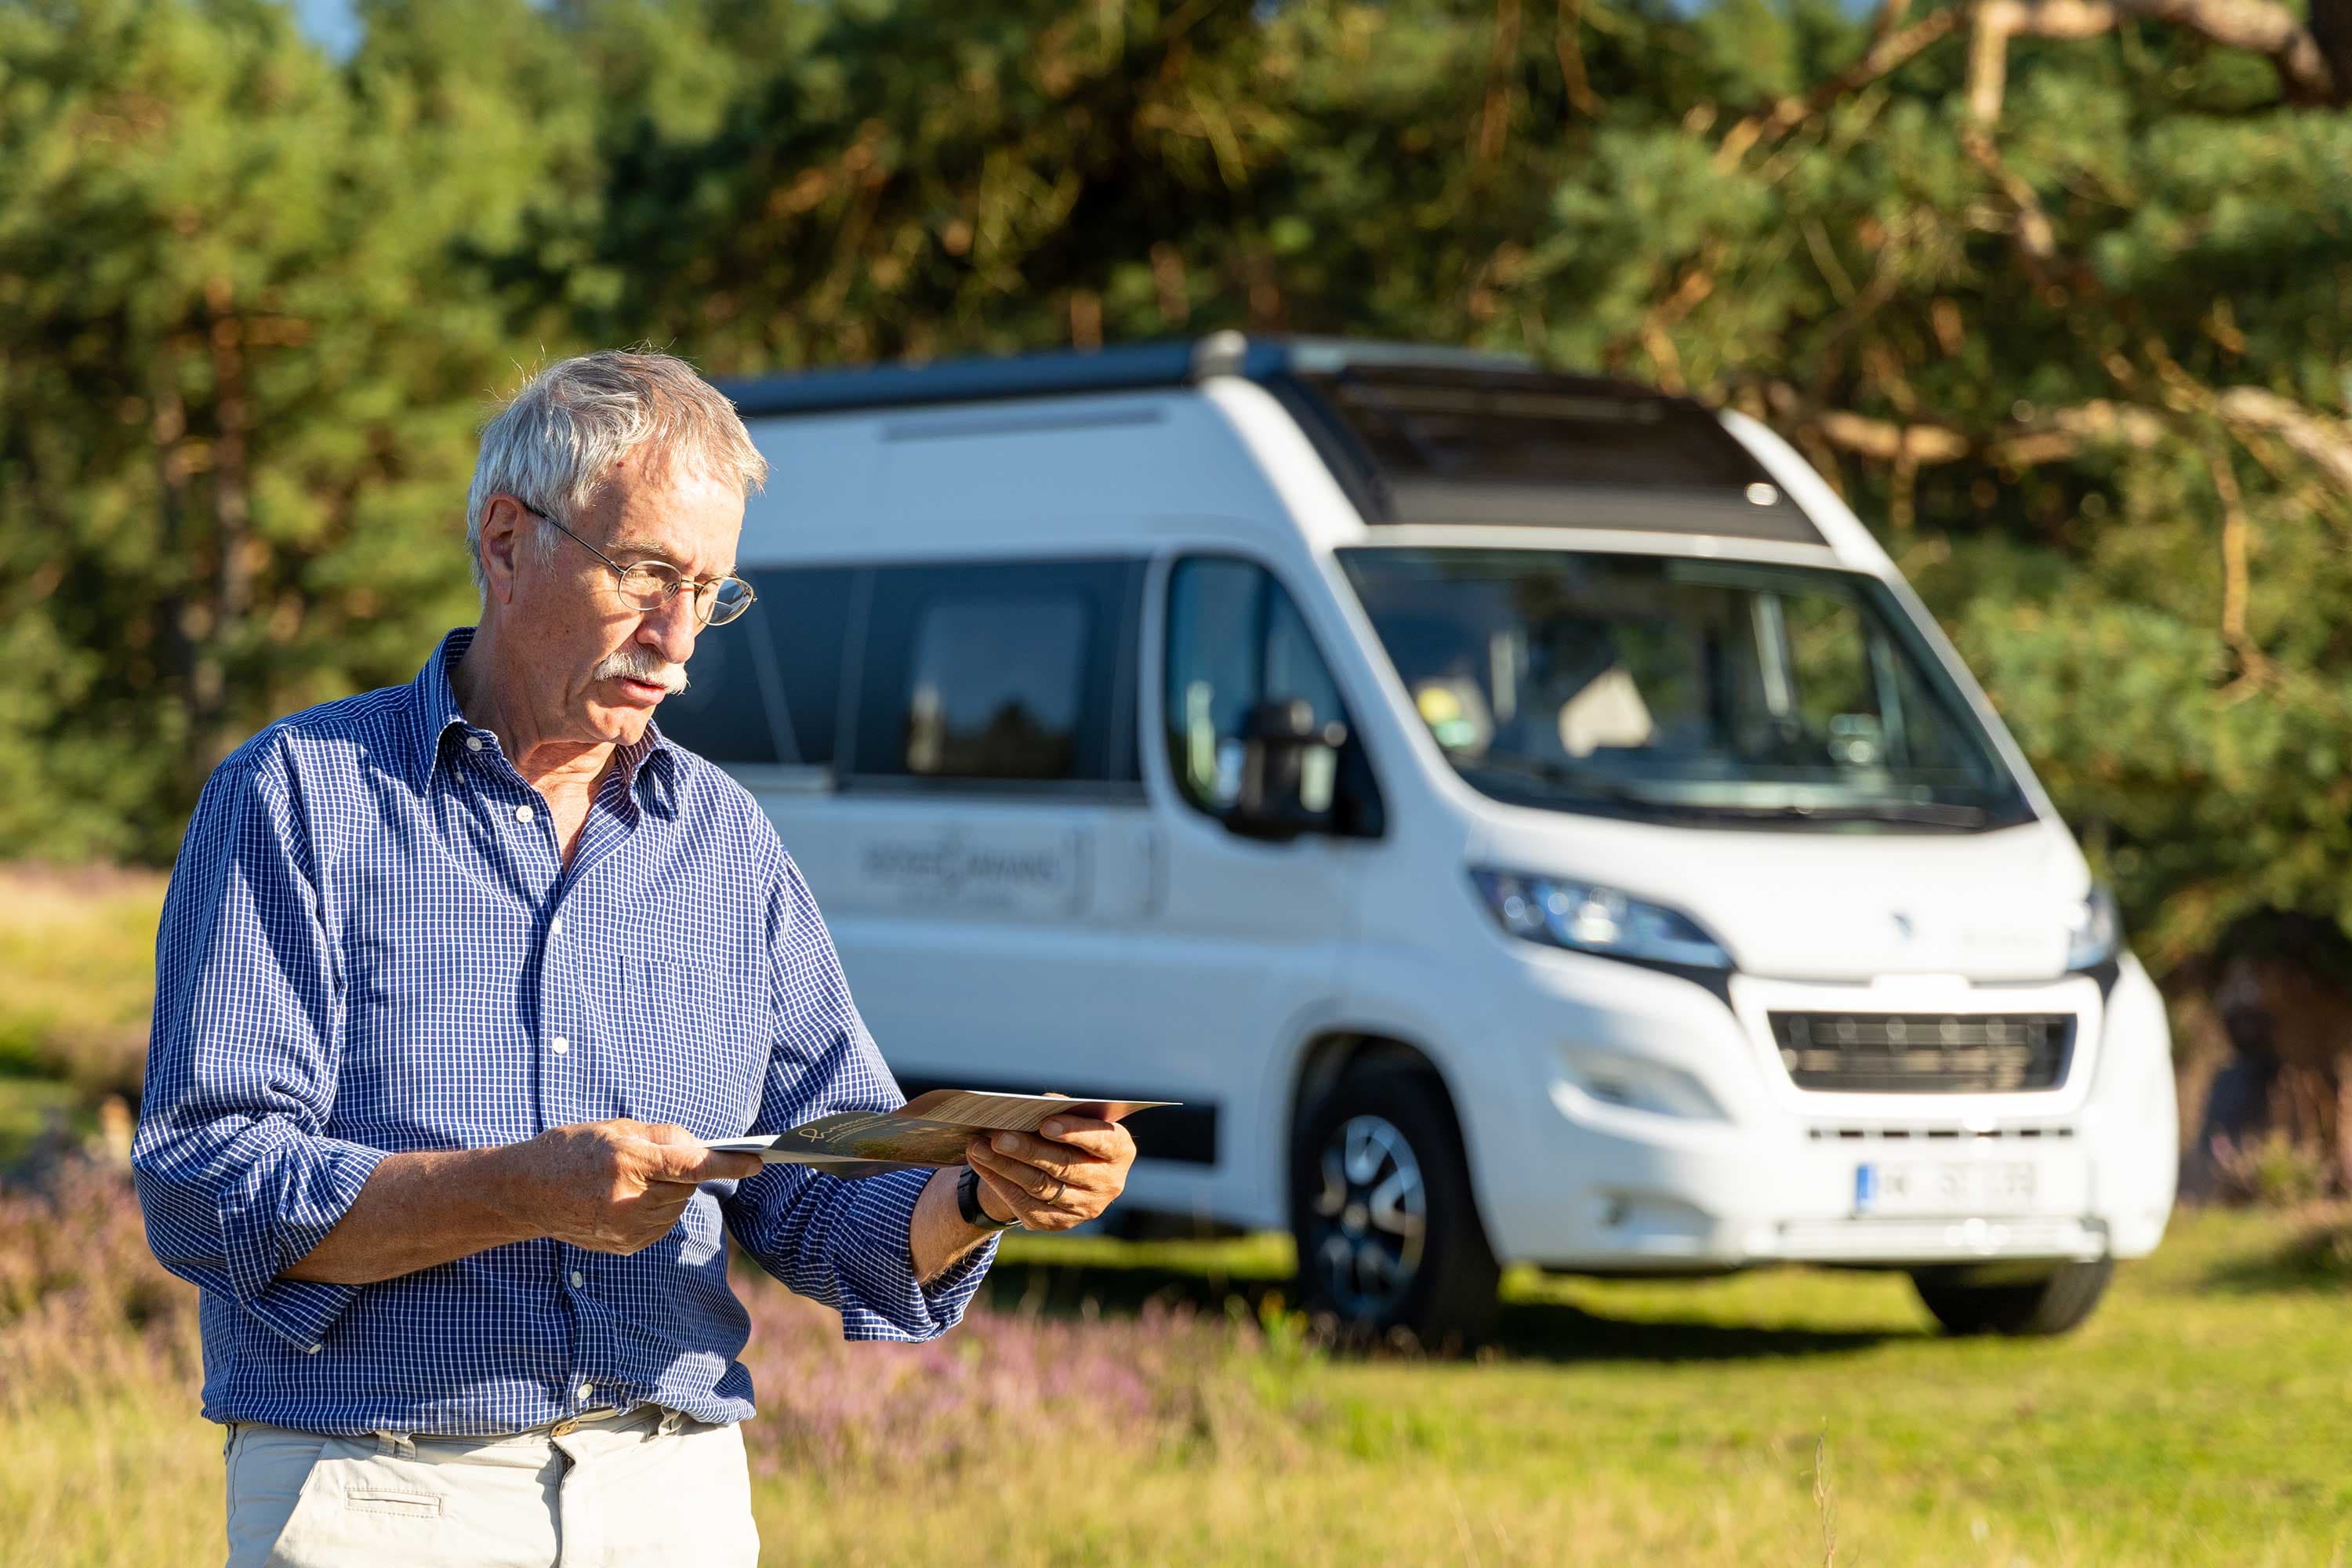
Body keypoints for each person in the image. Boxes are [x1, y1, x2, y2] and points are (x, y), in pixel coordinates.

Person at [129, 349, 1138, 1566]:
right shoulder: (297, 799)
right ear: (506, 541)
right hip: (382, 1494)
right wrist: (518, 1190)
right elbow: (204, 1184)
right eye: (647, 572)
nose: (678, 637)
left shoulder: (722, 838)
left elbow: (822, 1186)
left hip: (673, 1501)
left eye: (711, 589)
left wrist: (985, 1194)